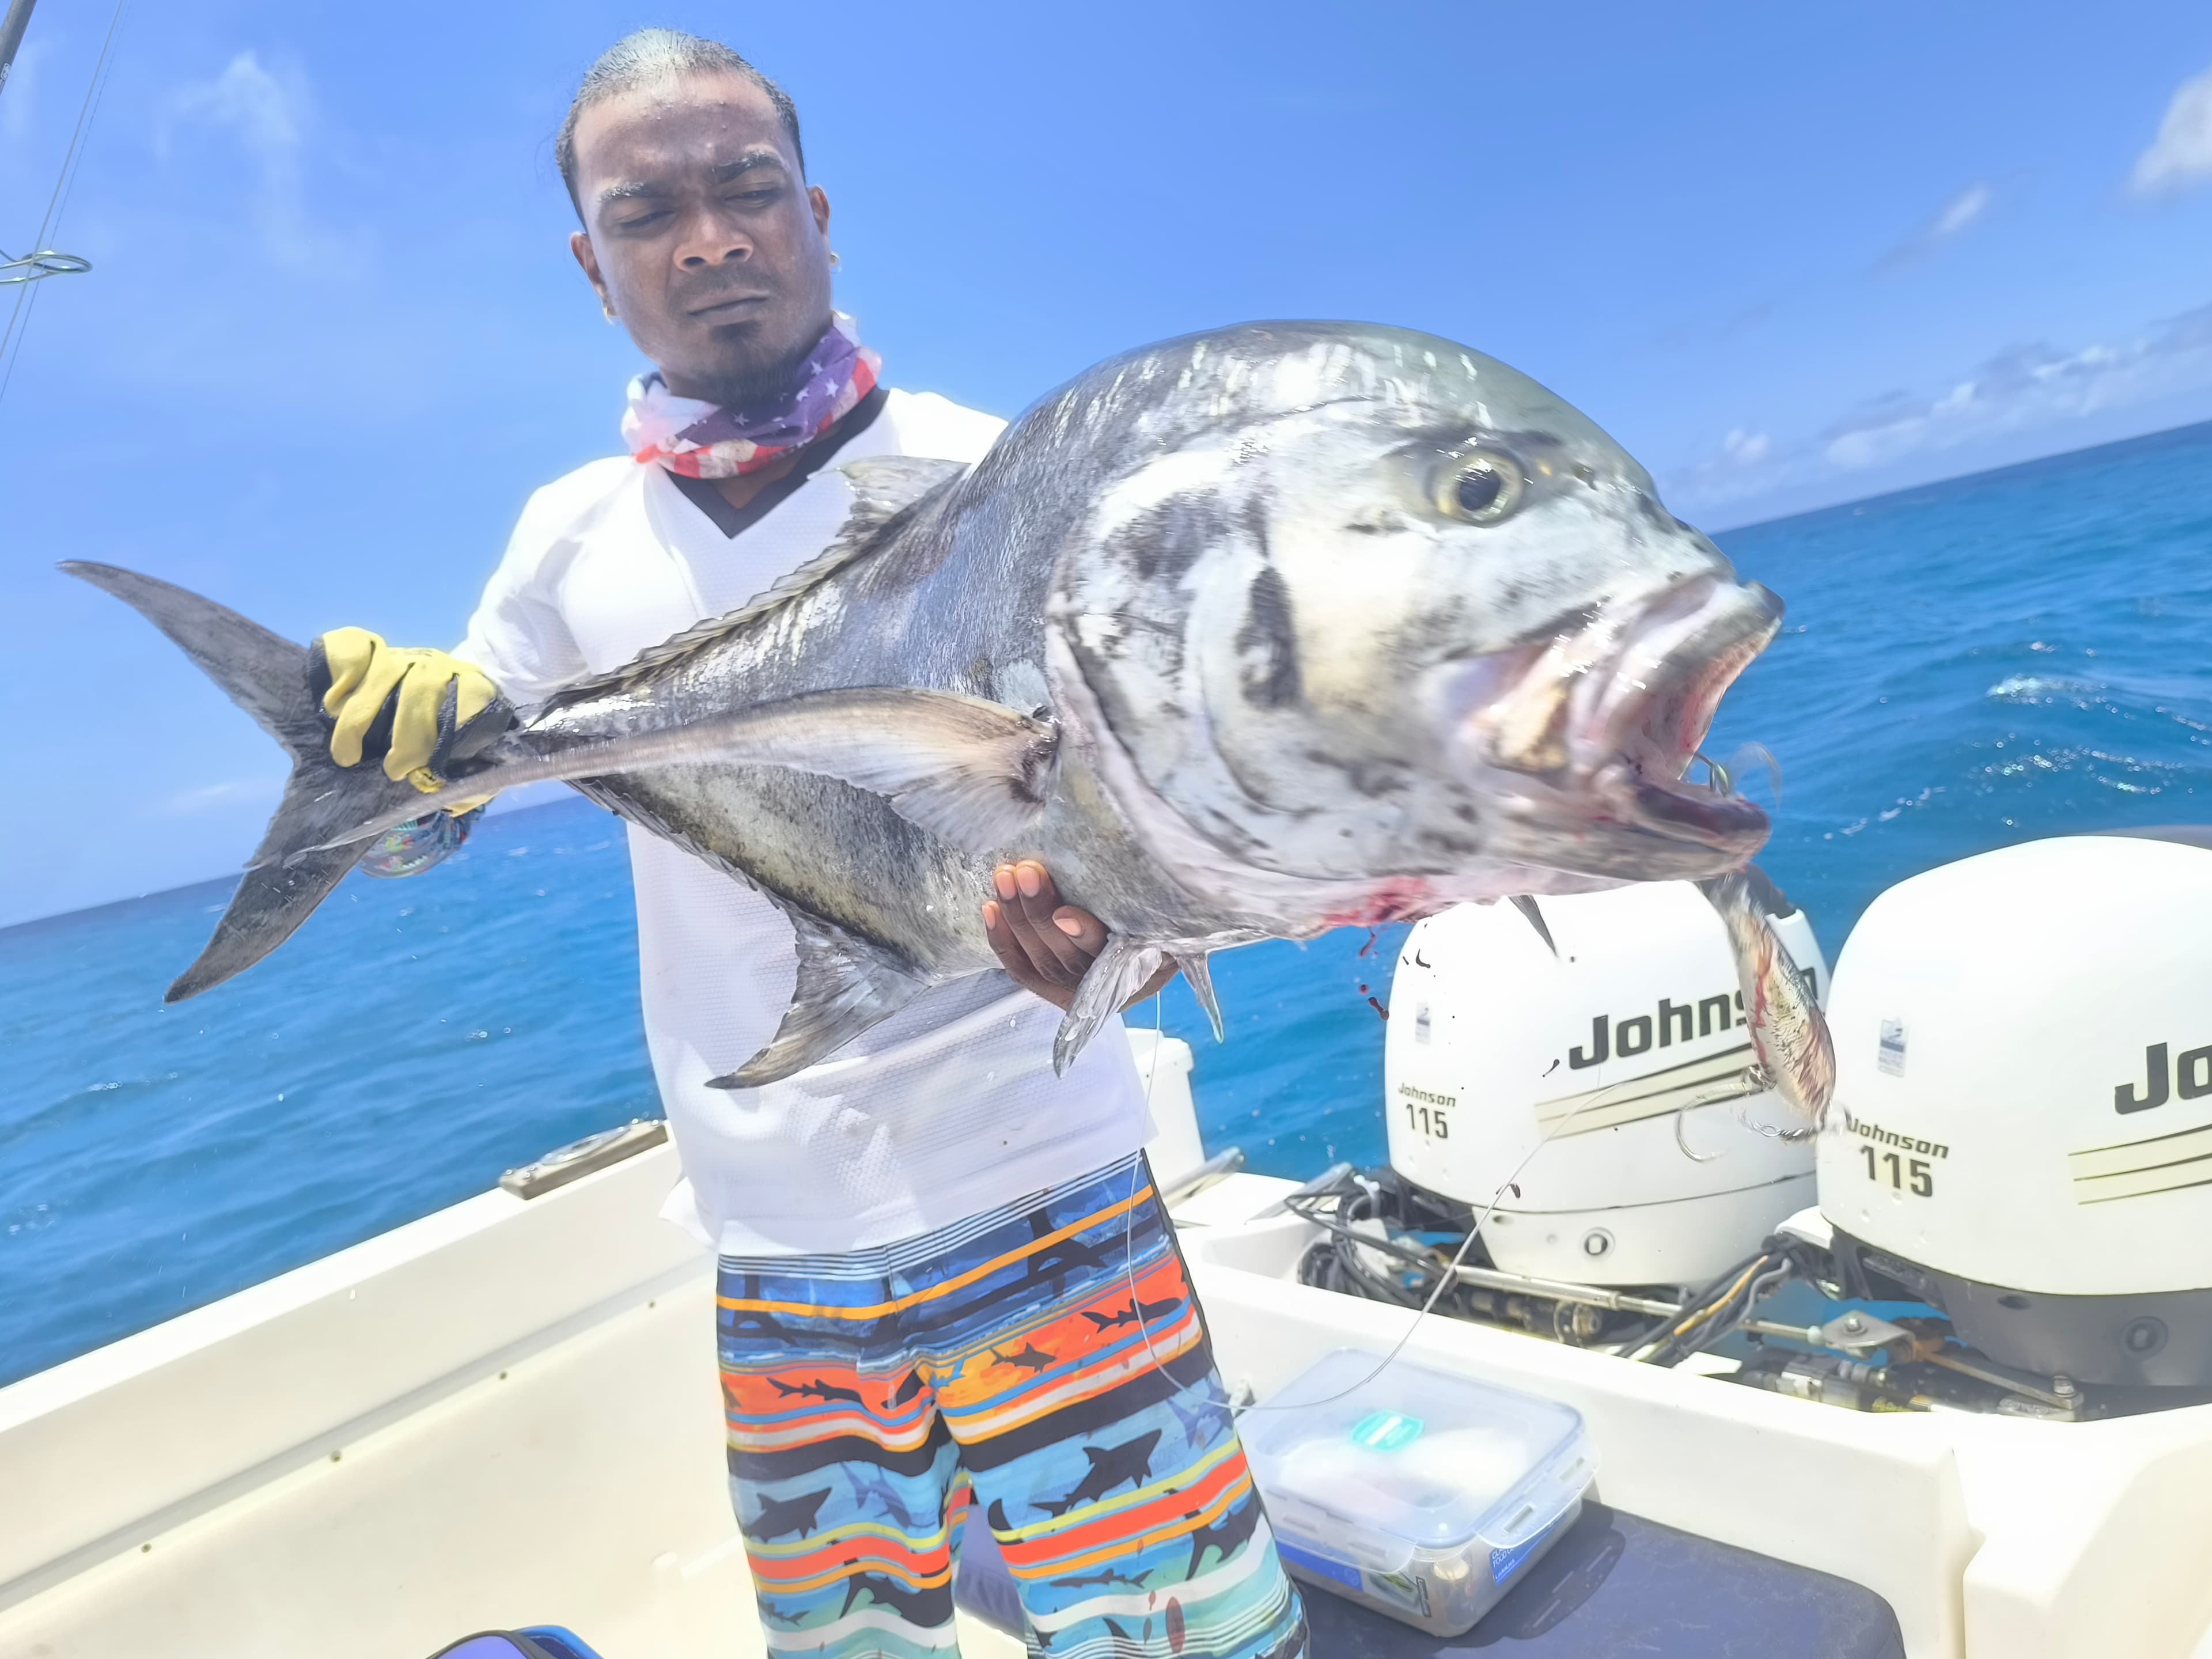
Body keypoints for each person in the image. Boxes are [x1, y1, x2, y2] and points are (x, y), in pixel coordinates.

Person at [315, 30, 1308, 1659]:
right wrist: (380, 758)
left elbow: (1133, 813)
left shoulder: (1005, 477)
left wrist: (1112, 944)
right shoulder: (563, 548)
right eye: (650, 212)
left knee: (1193, 1639)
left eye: (747, 190)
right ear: (592, 264)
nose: (710, 238)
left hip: (1043, 1195)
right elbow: (427, 834)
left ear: (820, 213)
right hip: (770, 1241)